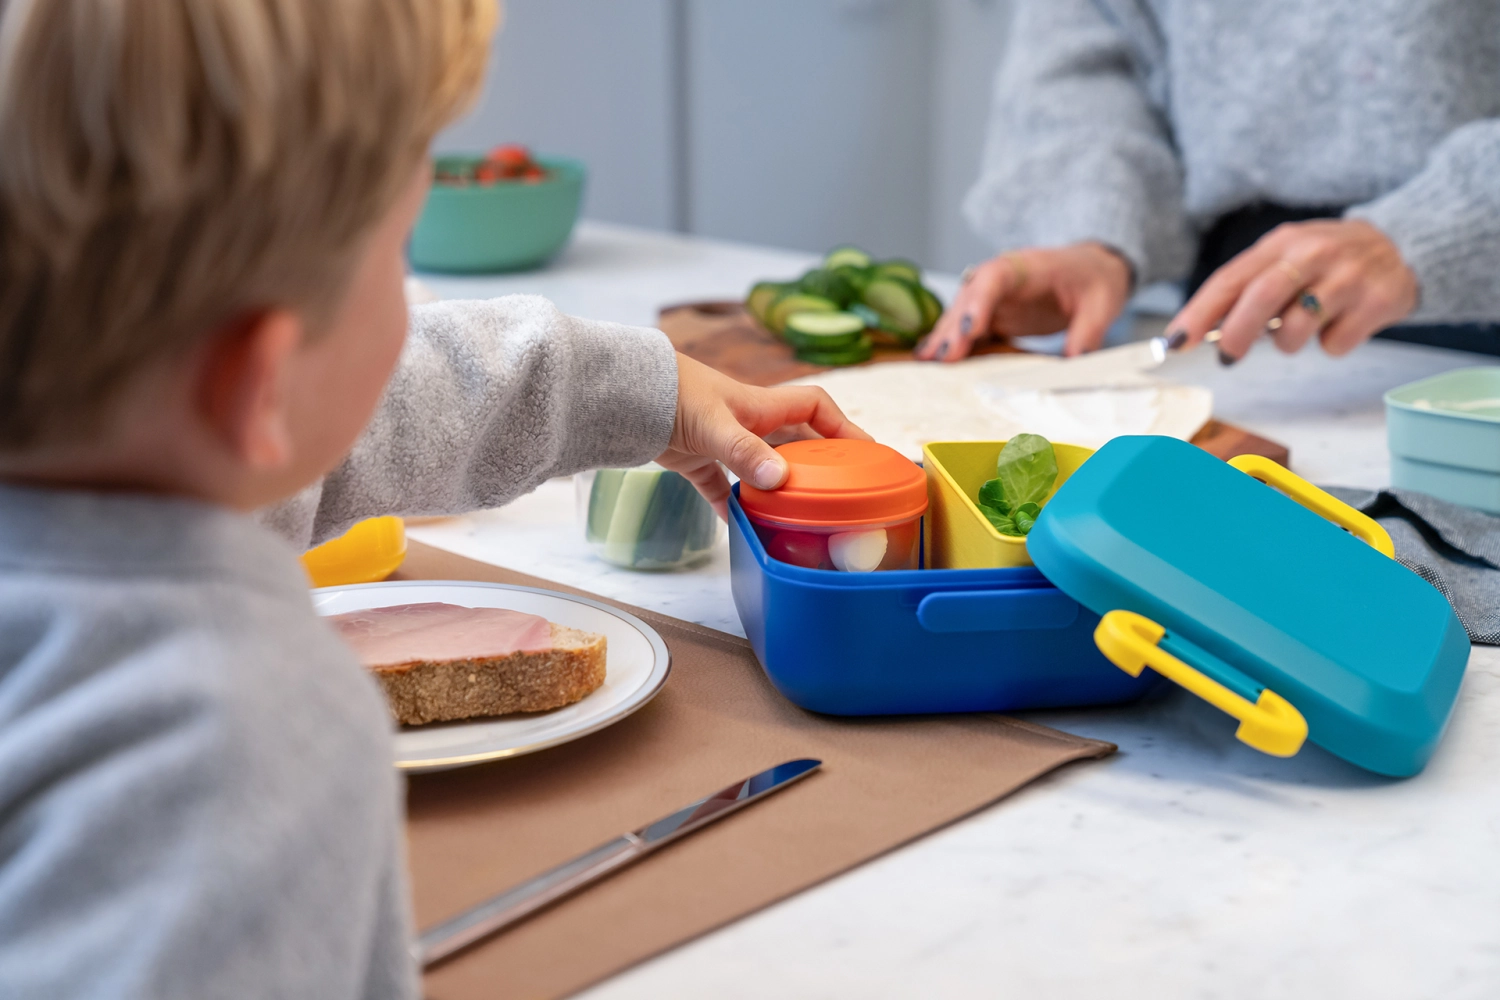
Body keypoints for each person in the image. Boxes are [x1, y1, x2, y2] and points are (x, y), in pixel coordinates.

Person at [0, 1, 865, 996]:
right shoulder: (231, 738)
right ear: (261, 384)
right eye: (399, 258)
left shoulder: (110, 438)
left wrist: (643, 394)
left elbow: (371, 404)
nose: (410, 301)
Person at [918, 0, 1500, 365]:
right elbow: (1090, 45)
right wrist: (1092, 231)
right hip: (1233, 316)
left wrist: (1437, 230)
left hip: (1472, 319)